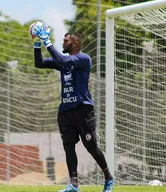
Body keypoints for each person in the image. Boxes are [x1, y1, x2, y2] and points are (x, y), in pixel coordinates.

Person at [31, 22, 114, 192]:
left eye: (65, 40)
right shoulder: (62, 62)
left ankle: (108, 177)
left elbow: (63, 60)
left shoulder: (83, 58)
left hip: (83, 109)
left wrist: (48, 41)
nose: (62, 43)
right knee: (68, 146)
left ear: (74, 43)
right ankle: (74, 185)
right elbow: (39, 63)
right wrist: (37, 43)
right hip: (65, 110)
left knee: (91, 147)